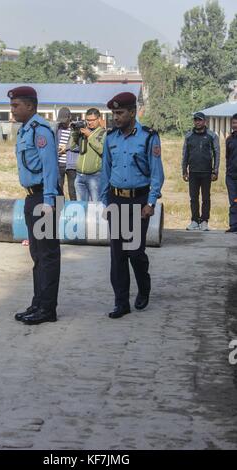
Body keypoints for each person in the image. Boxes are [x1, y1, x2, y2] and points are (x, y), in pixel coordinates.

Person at [100, 92, 164, 319]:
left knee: (135, 252)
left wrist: (151, 201)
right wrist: (105, 201)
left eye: (120, 113)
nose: (116, 117)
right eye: (113, 113)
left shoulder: (148, 137)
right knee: (118, 254)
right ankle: (121, 302)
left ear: (133, 112)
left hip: (139, 201)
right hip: (116, 200)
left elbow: (157, 173)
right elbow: (105, 172)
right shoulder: (110, 138)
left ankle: (144, 287)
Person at [9, 86, 61, 325]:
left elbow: (50, 168)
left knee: (48, 254)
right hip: (32, 197)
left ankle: (48, 309)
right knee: (37, 255)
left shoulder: (41, 131)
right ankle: (38, 302)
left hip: (45, 197)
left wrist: (49, 202)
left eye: (16, 105)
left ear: (30, 106)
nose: (13, 110)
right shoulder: (24, 131)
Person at [182, 112, 220, 231]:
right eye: (195, 120)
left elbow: (217, 154)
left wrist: (215, 171)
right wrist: (184, 171)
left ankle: (204, 221)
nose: (197, 122)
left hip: (206, 172)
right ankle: (194, 220)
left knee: (206, 198)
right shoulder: (188, 136)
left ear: (205, 121)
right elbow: (185, 154)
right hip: (193, 172)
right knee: (193, 198)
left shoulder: (212, 136)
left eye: (199, 120)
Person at [70, 108, 106, 202]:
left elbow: (103, 150)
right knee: (82, 208)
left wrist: (90, 136)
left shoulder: (103, 133)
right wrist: (75, 133)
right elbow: (72, 147)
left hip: (95, 176)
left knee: (96, 206)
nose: (90, 123)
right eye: (88, 120)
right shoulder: (83, 132)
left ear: (99, 119)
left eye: (92, 120)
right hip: (79, 176)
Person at [56, 107, 78, 200]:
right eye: (61, 120)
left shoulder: (76, 129)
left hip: (71, 165)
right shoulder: (57, 128)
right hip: (59, 163)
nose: (63, 122)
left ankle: (74, 208)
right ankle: (60, 210)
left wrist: (66, 148)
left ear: (70, 117)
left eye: (65, 120)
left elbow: (80, 146)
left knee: (72, 190)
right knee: (58, 189)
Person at [225, 113, 237, 233]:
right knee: (234, 201)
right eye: (234, 123)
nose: (235, 125)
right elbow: (227, 157)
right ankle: (234, 225)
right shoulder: (229, 139)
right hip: (231, 177)